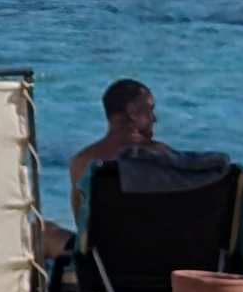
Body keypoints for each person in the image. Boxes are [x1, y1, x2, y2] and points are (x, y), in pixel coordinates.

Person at [68, 79, 173, 218]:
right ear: (132, 111)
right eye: (150, 110)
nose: (154, 119)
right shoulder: (162, 155)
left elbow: (80, 218)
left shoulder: (81, 161)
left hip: (101, 232)